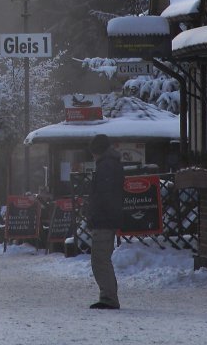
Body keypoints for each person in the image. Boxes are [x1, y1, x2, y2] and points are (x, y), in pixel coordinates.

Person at [85, 133, 124, 310]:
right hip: (107, 218)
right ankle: (108, 296)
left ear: (97, 151)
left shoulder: (106, 167)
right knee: (102, 259)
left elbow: (103, 195)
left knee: (100, 260)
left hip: (104, 220)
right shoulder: (111, 164)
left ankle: (108, 298)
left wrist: (95, 214)